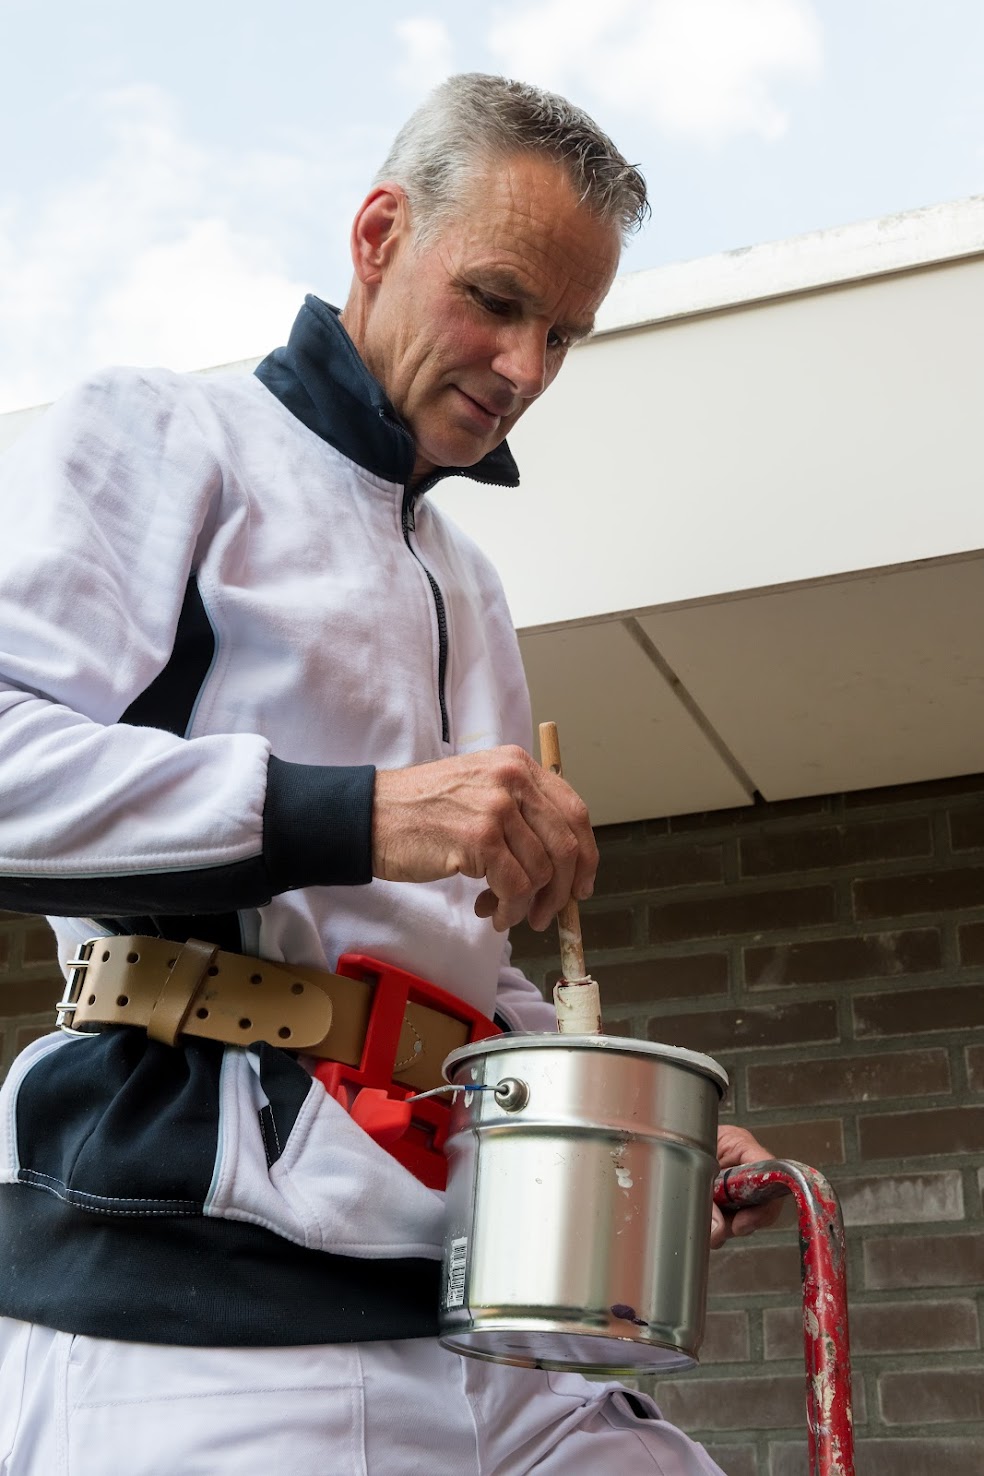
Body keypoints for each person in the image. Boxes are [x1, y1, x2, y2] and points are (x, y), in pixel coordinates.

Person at [0, 74, 777, 1473]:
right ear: (376, 236)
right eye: (496, 299)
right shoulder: (169, 437)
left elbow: (449, 963)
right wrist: (359, 813)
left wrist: (619, 1129)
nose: (528, 367)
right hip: (202, 1311)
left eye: (565, 334)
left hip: (469, 1312)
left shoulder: (466, 581)